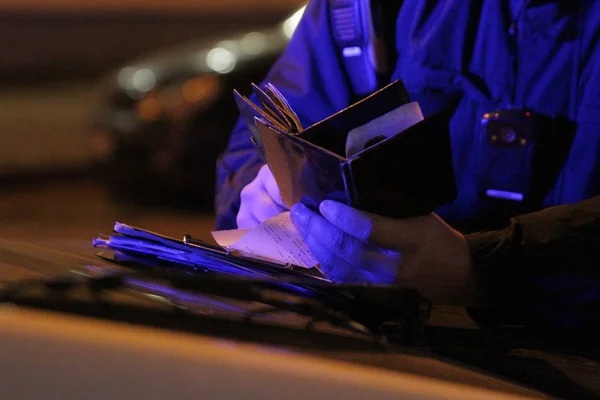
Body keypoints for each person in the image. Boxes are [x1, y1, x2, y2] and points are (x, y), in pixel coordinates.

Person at [214, 0, 600, 327]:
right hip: (389, 359)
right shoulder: (366, 9)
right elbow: (257, 143)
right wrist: (263, 194)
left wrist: (477, 270)